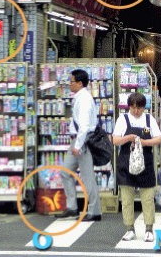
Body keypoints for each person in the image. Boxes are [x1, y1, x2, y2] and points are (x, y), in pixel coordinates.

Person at [112, 93, 161, 242]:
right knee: (127, 199)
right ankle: (129, 229)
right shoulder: (123, 119)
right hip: (125, 163)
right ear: (129, 107)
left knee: (147, 198)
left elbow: (159, 138)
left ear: (143, 107)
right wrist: (128, 138)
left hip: (145, 163)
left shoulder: (149, 119)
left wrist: (143, 142)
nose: (136, 111)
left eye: (139, 108)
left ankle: (149, 229)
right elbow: (115, 140)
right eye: (133, 108)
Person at [58, 70, 101, 221]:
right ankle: (72, 207)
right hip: (77, 140)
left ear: (80, 83)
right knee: (65, 172)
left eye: (72, 81)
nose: (70, 84)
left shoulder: (84, 100)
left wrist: (78, 145)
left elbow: (84, 126)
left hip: (82, 141)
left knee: (87, 176)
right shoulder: (79, 98)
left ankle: (94, 211)